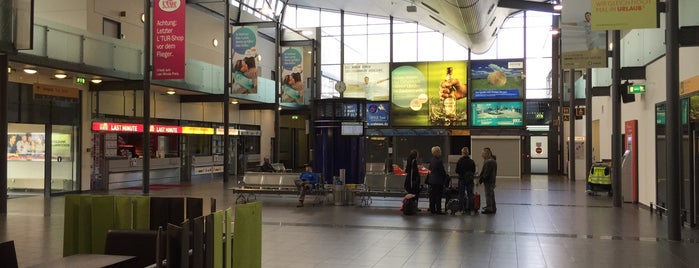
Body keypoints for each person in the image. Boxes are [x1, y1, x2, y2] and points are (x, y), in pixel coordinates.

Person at [427, 146, 449, 214]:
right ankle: (438, 210)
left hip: (431, 180)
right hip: (438, 181)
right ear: (438, 152)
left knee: (432, 196)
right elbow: (442, 171)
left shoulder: (431, 160)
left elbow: (429, 170)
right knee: (438, 196)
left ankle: (432, 209)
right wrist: (446, 177)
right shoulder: (439, 161)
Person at [455, 146, 476, 215]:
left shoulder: (460, 161)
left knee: (461, 195)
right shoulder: (471, 161)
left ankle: (461, 210)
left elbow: (456, 170)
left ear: (462, 153)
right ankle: (472, 210)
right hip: (469, 180)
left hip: (461, 179)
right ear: (468, 153)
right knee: (470, 195)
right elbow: (474, 170)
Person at [479, 147, 498, 214]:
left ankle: (489, 208)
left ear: (486, 154)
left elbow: (486, 173)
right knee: (491, 194)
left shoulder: (489, 162)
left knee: (488, 195)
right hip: (492, 180)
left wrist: (481, 179)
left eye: (482, 154)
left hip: (488, 181)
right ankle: (493, 207)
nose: (481, 155)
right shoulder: (493, 160)